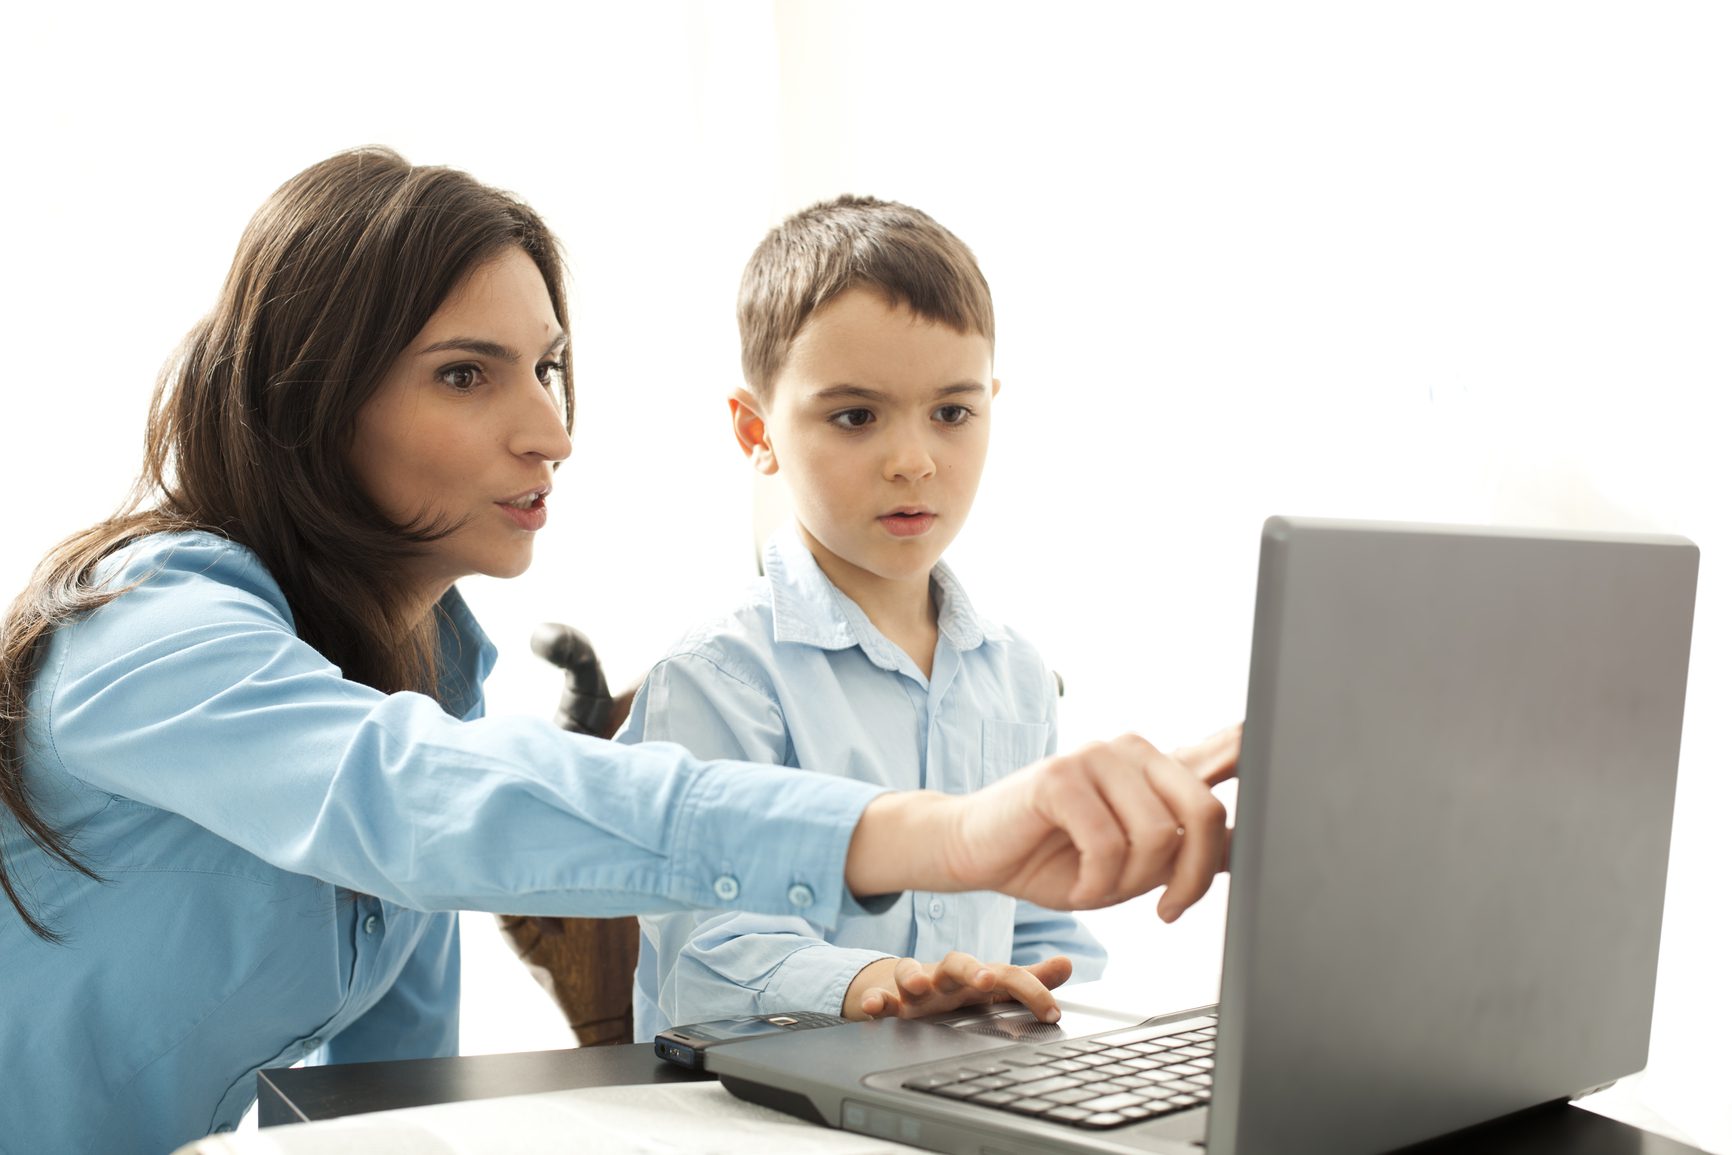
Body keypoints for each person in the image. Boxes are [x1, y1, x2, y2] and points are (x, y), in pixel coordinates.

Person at [0, 148, 1232, 1155]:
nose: (550, 429)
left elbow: (381, 1091)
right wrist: (940, 835)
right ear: (310, 398)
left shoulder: (422, 673)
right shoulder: (144, 635)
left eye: (546, 368)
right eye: (467, 375)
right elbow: (419, 804)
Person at [622, 195, 1118, 1039]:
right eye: (855, 416)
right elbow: (710, 955)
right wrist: (884, 982)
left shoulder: (1019, 677)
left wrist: (1041, 988)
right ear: (757, 430)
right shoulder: (720, 676)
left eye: (952, 412)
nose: (914, 460)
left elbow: (1038, 923)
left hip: (960, 1092)